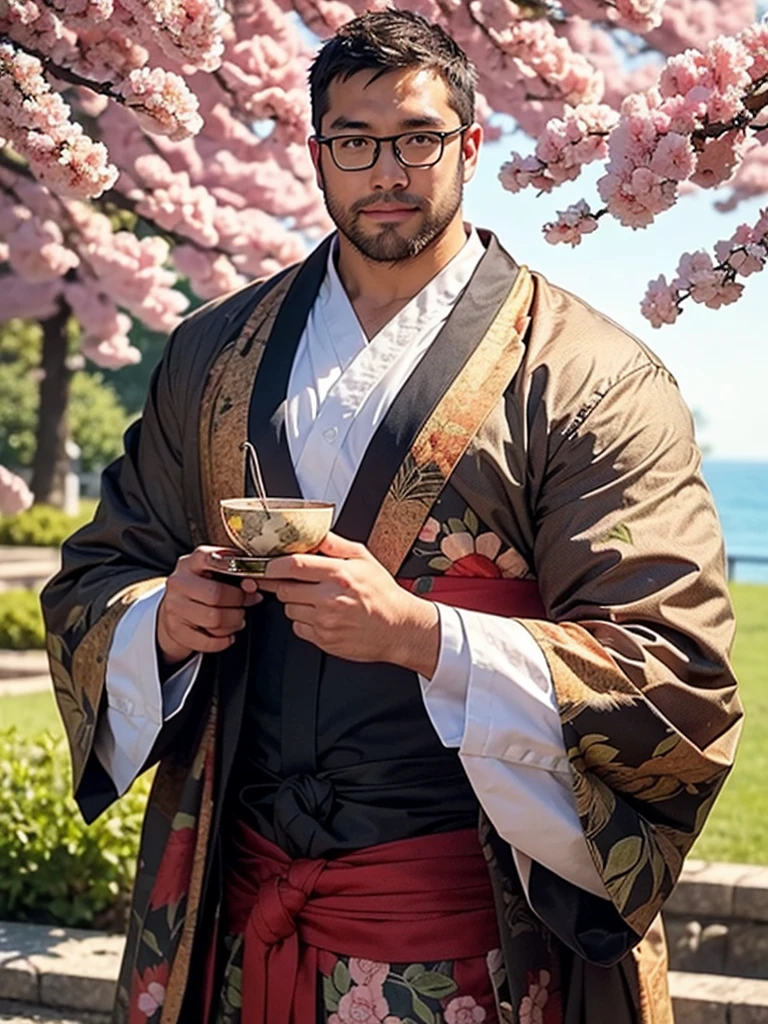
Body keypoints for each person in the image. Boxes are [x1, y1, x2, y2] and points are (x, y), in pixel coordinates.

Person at [41, 10, 742, 1024]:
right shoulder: (210, 353)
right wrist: (162, 617)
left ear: (468, 143)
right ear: (317, 150)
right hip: (242, 915)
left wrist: (422, 635)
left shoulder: (591, 376)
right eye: (355, 141)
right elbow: (99, 573)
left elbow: (673, 673)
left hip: (471, 933)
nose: (387, 170)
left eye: (416, 137)